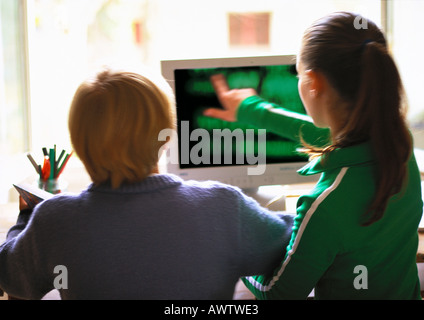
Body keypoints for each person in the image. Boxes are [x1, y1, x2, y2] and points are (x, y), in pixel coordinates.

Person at [0, 69, 294, 300]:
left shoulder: (55, 221)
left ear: (78, 144)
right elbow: (296, 241)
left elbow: (10, 275)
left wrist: (25, 219)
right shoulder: (224, 207)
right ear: (167, 137)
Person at [204, 12, 423, 299]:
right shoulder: (398, 145)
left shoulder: (325, 205)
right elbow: (337, 137)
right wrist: (251, 109)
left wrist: (239, 260)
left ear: (313, 82)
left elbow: (278, 292)